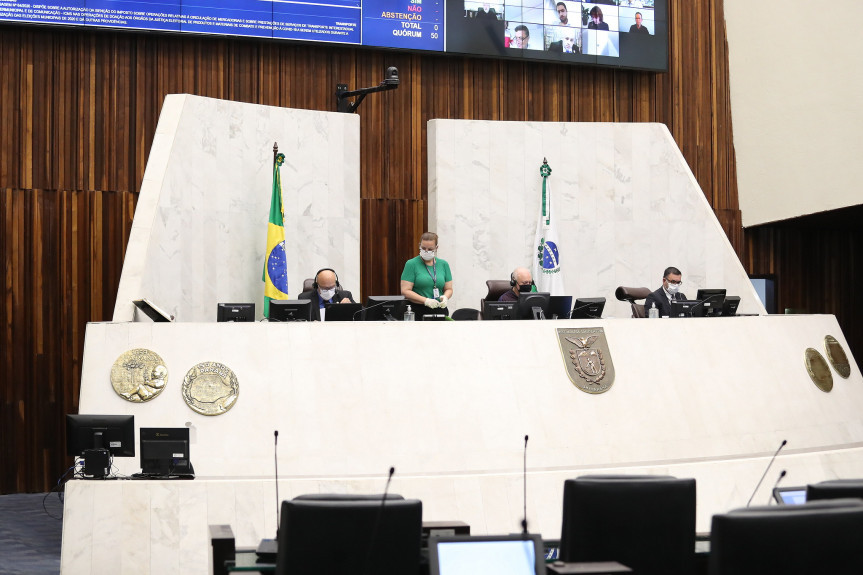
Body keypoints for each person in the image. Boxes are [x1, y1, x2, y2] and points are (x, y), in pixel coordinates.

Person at [400, 232, 453, 311]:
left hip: (439, 308)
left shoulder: (443, 264)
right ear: (419, 246)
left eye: (430, 249)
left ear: (436, 248)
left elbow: (449, 289)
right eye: (423, 248)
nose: (426, 251)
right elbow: (405, 291)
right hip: (418, 309)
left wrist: (445, 297)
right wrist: (426, 300)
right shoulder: (411, 264)